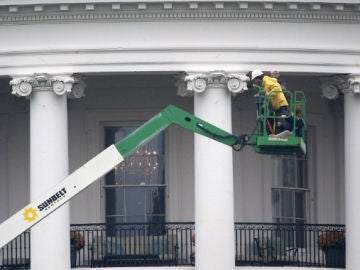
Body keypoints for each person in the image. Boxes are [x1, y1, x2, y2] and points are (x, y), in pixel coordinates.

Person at [251, 69, 291, 135]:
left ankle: (282, 135)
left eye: (255, 80)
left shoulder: (266, 81)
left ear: (258, 77)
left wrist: (268, 94)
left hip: (281, 104)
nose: (255, 82)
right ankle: (274, 135)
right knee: (273, 121)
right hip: (275, 106)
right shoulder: (264, 84)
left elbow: (276, 88)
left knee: (280, 123)